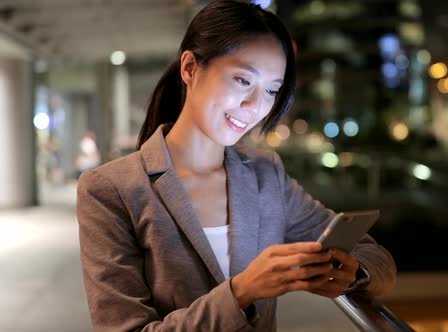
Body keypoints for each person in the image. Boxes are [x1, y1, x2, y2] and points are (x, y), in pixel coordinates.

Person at [76, 1, 396, 331]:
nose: (255, 106)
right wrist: (242, 291)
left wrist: (352, 271)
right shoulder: (111, 189)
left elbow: (377, 259)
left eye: (272, 90)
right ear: (190, 68)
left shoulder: (265, 175)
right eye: (243, 80)